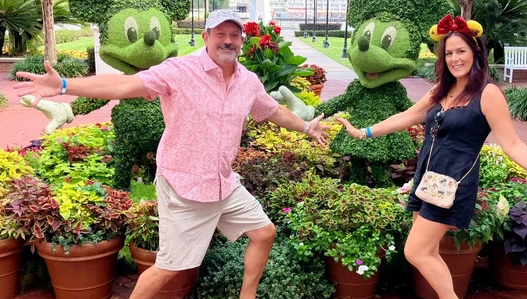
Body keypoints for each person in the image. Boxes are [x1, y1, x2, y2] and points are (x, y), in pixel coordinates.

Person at [14, 9, 329, 299]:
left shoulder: (247, 82)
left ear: (242, 41)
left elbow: (273, 111)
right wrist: (67, 84)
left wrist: (307, 128)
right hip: (185, 187)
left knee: (264, 232)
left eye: (234, 35)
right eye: (220, 33)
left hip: (223, 183)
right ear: (206, 37)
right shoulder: (180, 71)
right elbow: (123, 85)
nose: (228, 40)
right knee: (170, 267)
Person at [335, 15, 527, 299]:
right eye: (449, 53)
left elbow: (512, 143)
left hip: (452, 185)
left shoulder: (487, 93)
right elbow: (407, 117)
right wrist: (364, 132)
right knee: (427, 251)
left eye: (461, 51)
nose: (455, 59)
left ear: (476, 52)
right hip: (427, 180)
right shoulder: (441, 89)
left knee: (414, 250)